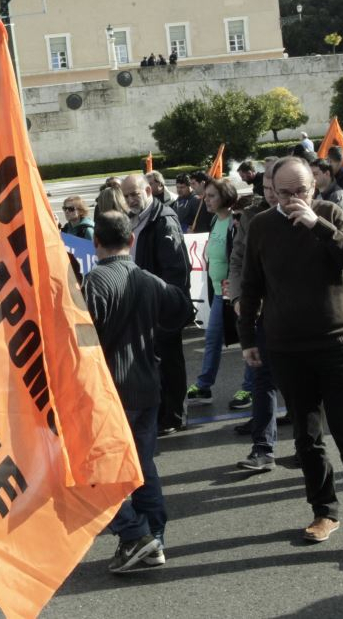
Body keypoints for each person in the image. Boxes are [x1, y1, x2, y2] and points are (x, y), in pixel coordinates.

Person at [239, 156, 343, 561]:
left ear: (314, 187)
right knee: (306, 437)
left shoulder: (331, 213)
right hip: (286, 346)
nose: (291, 200)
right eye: (283, 193)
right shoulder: (261, 226)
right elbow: (250, 286)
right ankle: (325, 511)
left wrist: (317, 225)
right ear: (270, 188)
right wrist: (247, 337)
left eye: (299, 191)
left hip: (337, 343)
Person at [82, 210, 192, 572]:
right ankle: (153, 539)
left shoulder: (95, 281)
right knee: (141, 467)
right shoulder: (147, 279)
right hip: (147, 386)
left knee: (97, 474)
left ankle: (135, 534)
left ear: (95, 243)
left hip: (111, 391)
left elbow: (83, 342)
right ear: (131, 241)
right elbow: (182, 309)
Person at [118, 176, 191, 437]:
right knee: (156, 359)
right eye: (126, 196)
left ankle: (174, 415)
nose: (130, 200)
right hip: (144, 302)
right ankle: (163, 412)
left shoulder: (162, 220)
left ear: (148, 190)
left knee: (169, 359)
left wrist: (165, 302)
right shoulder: (136, 218)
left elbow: (176, 269)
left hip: (162, 303)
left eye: (134, 194)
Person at [228, 170, 282, 470]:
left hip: (298, 314)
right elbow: (238, 261)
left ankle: (308, 445)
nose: (273, 194)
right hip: (261, 311)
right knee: (263, 380)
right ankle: (262, 448)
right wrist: (237, 299)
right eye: (267, 188)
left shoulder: (315, 211)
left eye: (278, 188)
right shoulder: (251, 218)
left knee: (300, 383)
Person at [186, 179, 254, 409]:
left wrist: (236, 287)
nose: (206, 199)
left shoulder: (237, 222)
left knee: (248, 340)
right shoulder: (215, 219)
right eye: (206, 195)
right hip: (218, 294)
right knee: (212, 339)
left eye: (212, 196)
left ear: (225, 197)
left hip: (234, 293)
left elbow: (240, 259)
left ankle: (250, 388)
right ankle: (204, 386)